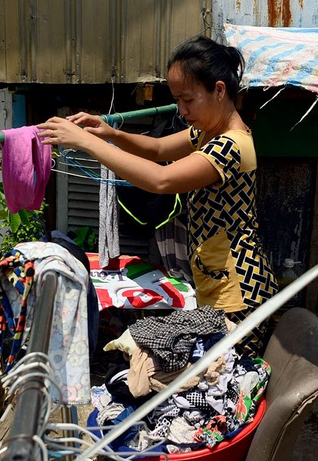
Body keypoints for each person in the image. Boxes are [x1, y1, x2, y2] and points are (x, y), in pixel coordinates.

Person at [37, 36, 279, 358]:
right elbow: (159, 150)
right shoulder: (208, 132)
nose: (181, 110)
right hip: (218, 279)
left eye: (188, 99)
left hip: (239, 290)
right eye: (177, 99)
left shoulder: (230, 146)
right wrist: (108, 132)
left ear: (219, 90)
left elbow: (161, 180)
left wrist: (88, 143)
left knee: (226, 375)